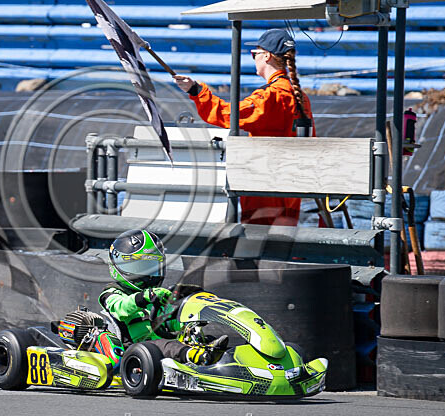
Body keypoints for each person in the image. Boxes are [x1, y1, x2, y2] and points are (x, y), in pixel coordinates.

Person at [174, 28, 315, 226]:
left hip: (265, 181)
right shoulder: (301, 97)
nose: (253, 58)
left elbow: (228, 115)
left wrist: (197, 91)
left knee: (260, 240)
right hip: (291, 182)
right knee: (285, 240)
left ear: (266, 56)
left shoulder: (270, 97)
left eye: (254, 54)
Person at [98, 229, 227, 365]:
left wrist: (189, 320)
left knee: (202, 339)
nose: (149, 275)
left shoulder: (154, 295)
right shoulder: (111, 293)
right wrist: (143, 297)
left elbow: (165, 323)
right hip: (136, 350)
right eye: (141, 267)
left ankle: (214, 357)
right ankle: (193, 356)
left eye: (152, 267)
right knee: (168, 346)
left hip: (159, 342)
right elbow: (121, 308)